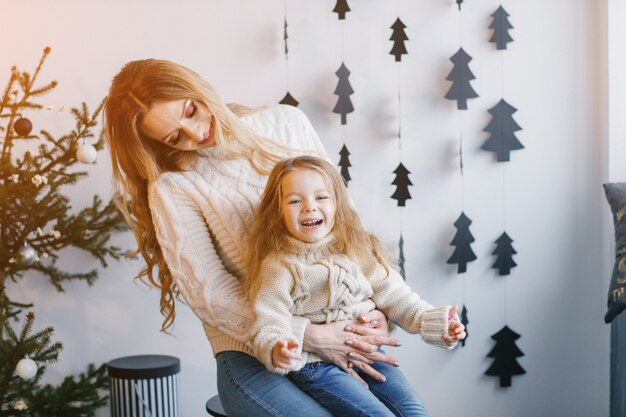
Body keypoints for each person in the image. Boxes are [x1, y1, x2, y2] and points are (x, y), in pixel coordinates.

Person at [103, 59, 402, 417]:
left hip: (340, 328)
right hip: (249, 355)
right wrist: (306, 334)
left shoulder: (286, 124)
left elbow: (347, 229)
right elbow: (211, 293)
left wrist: (380, 310)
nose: (196, 133)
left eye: (191, 110)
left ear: (197, 87)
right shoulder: (173, 187)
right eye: (175, 137)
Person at [245, 155, 466, 417]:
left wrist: (435, 323)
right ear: (277, 211)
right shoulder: (278, 265)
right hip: (317, 366)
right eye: (295, 201)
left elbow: (395, 295)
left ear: (338, 202)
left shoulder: (355, 247)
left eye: (321, 197)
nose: (309, 207)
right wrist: (278, 347)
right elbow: (269, 318)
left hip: (368, 353)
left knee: (413, 411)